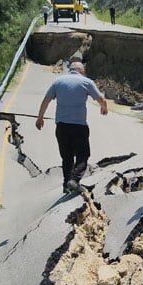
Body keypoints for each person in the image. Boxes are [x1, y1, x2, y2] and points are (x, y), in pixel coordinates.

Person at [36, 60, 108, 193]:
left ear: (70, 69)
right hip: (79, 126)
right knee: (83, 154)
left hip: (62, 126)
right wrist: (104, 108)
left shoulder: (58, 82)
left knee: (67, 156)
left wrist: (40, 118)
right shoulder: (86, 82)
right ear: (82, 71)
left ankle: (66, 185)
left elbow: (46, 100)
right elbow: (101, 99)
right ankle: (73, 180)